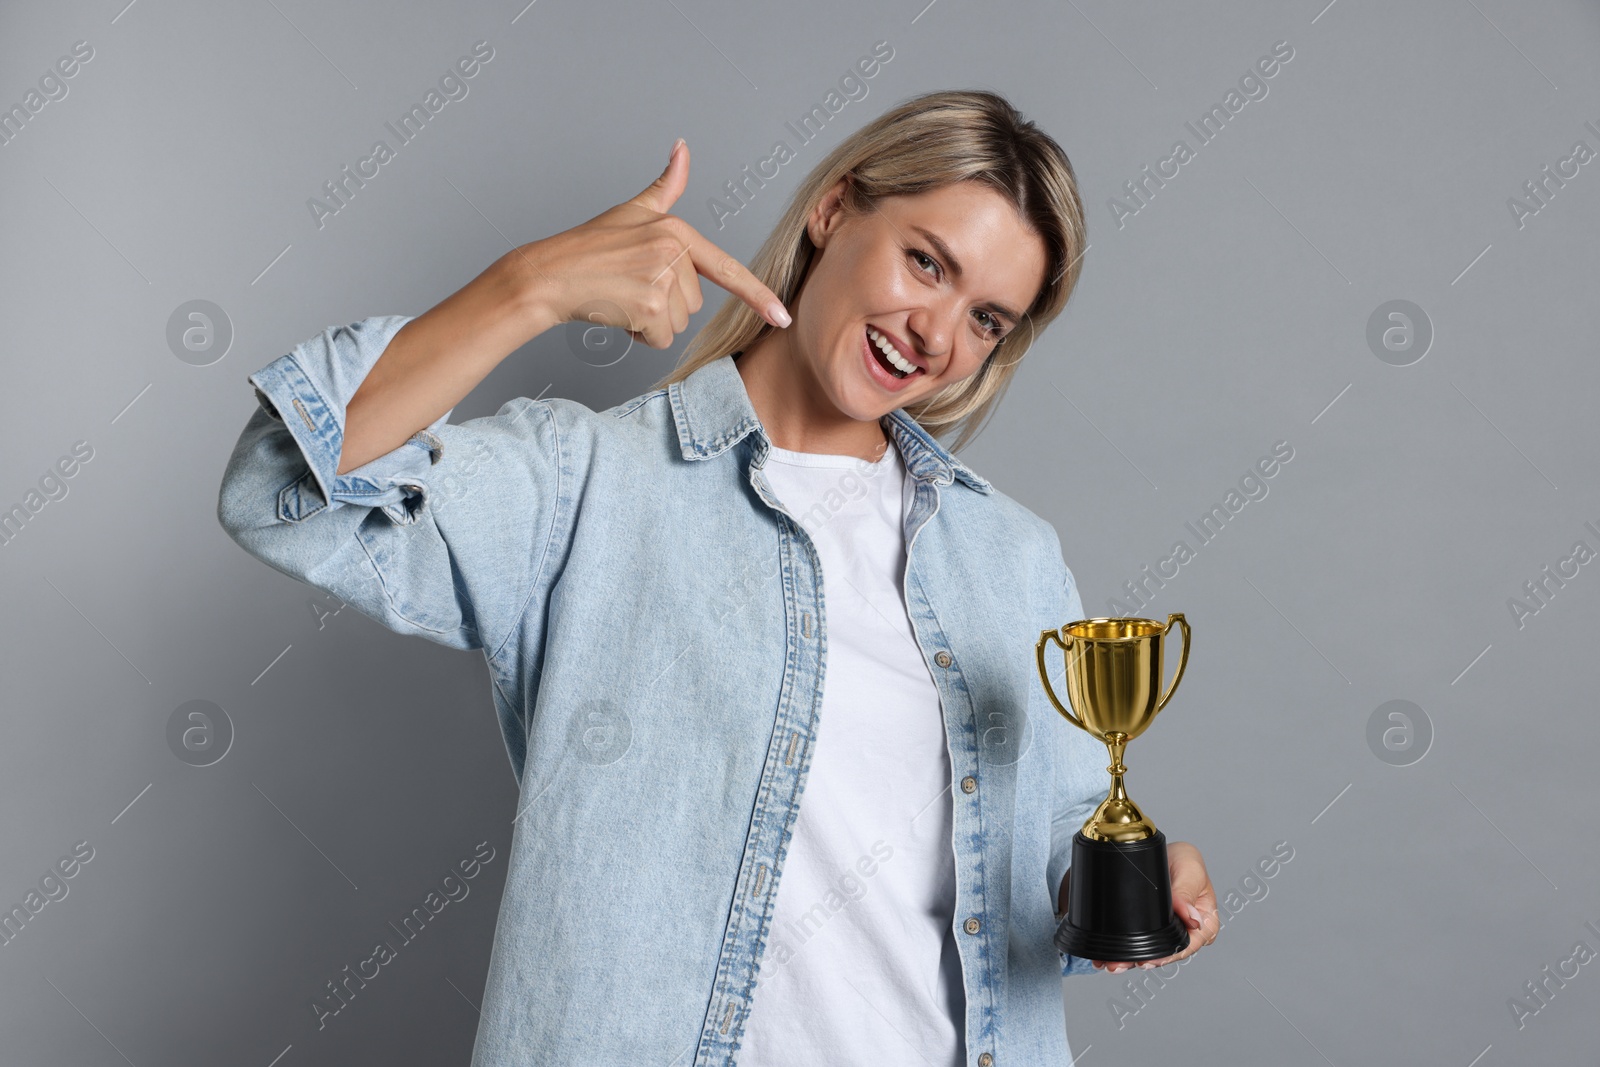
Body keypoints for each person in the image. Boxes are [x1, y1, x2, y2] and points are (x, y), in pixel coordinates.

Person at [218, 88, 1219, 1066]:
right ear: (834, 209)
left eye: (986, 318)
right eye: (925, 262)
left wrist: (1135, 876)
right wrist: (530, 287)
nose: (936, 336)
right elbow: (285, 488)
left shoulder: (1011, 553)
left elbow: (1058, 833)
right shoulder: (591, 484)